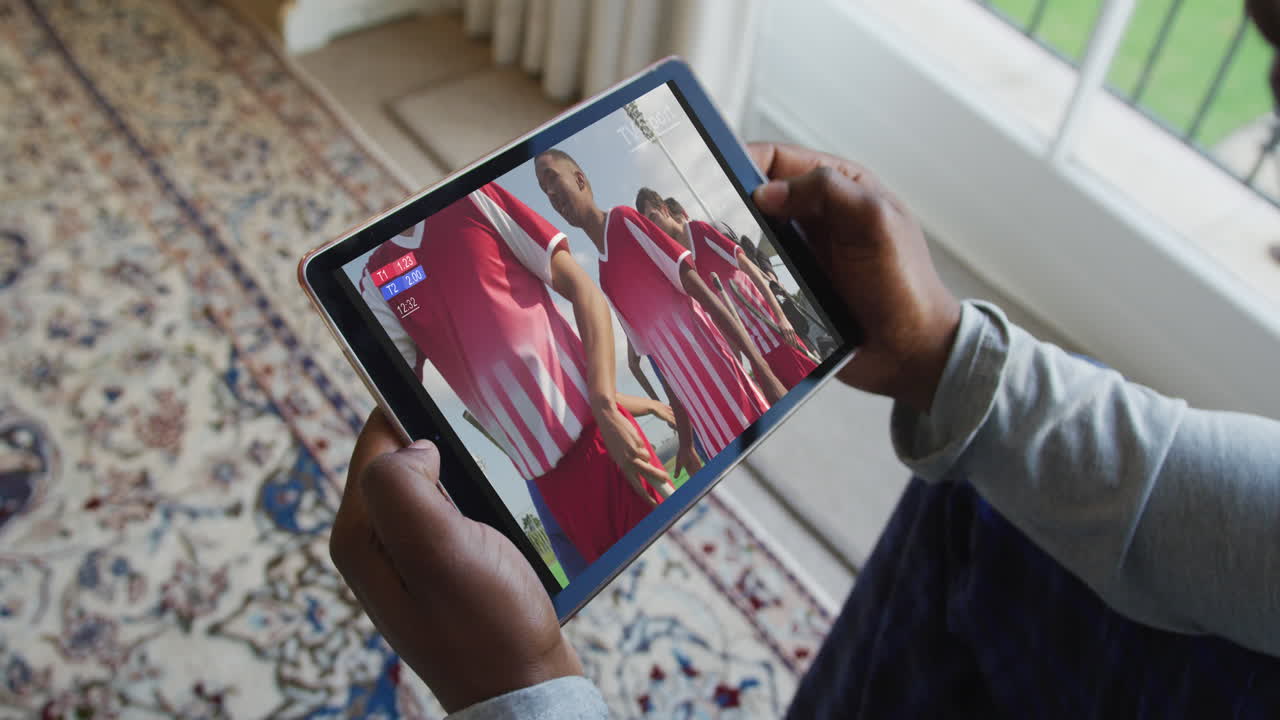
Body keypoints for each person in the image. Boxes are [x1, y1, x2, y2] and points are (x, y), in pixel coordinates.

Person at [332, 138, 1280, 717]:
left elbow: (669, 290)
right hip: (546, 468)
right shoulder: (390, 277)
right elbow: (428, 368)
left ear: (573, 179)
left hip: (599, 425)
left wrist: (524, 695)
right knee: (964, 512)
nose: (555, 187)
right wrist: (944, 355)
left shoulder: (596, 226)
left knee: (523, 623)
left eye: (558, 172)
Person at [358, 182, 675, 566]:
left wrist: (607, 407)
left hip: (600, 432)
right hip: (545, 479)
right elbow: (401, 401)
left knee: (674, 560)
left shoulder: (471, 200)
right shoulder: (379, 279)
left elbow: (582, 288)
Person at [532, 149, 788, 471]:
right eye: (544, 191)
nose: (551, 193)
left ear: (580, 179)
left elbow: (704, 294)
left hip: (731, 390)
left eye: (552, 179)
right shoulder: (604, 277)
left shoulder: (626, 221)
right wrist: (686, 442)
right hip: (704, 423)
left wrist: (764, 373)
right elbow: (662, 365)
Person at [636, 186, 819, 388]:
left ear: (664, 209)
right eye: (649, 224)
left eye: (654, 217)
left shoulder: (699, 231)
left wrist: (782, 318)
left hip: (774, 333)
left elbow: (748, 267)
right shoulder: (680, 263)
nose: (655, 226)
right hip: (755, 354)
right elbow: (718, 317)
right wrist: (739, 366)